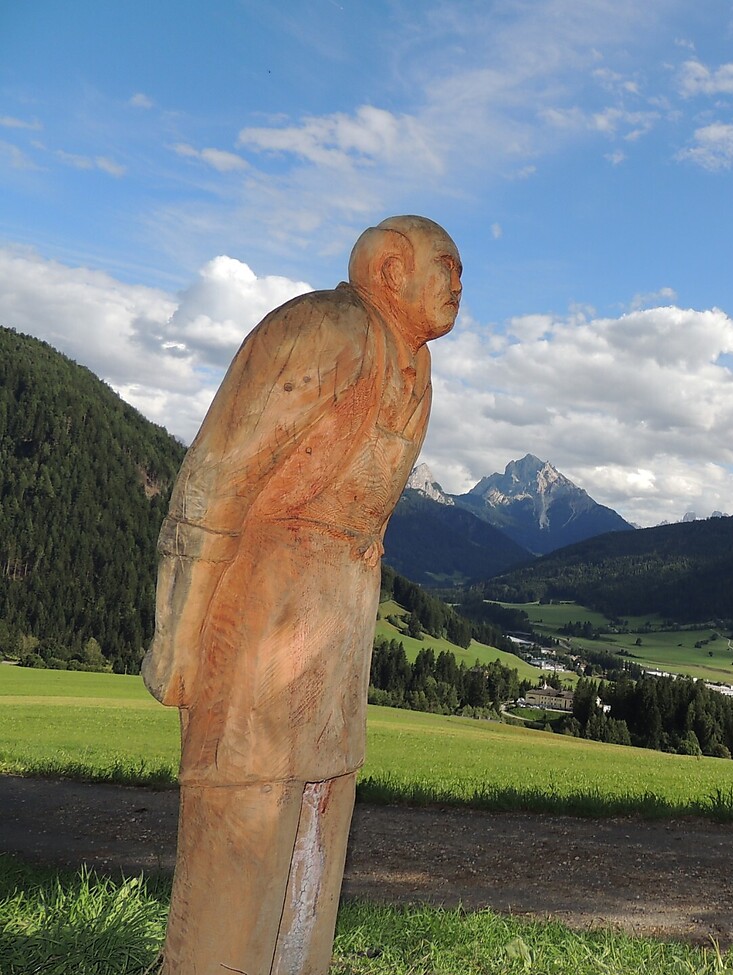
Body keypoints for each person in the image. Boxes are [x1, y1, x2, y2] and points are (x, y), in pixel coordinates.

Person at [141, 215, 461, 975]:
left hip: (335, 633)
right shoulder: (324, 328)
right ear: (391, 270)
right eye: (446, 266)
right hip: (257, 621)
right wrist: (178, 633)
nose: (458, 285)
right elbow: (214, 480)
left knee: (317, 830)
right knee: (242, 824)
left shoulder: (414, 371)